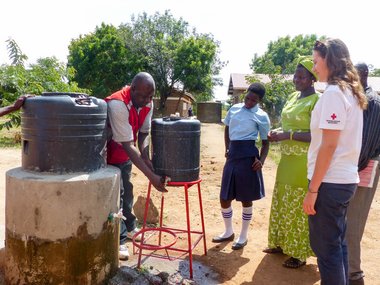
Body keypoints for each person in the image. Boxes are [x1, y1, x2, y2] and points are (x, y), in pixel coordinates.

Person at [303, 39, 367, 285]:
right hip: (344, 181)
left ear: (329, 60)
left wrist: (312, 190)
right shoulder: (351, 92)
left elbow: (328, 146)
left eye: (316, 61)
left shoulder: (333, 93)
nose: (314, 67)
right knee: (338, 245)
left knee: (327, 252)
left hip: (329, 183)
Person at [264, 57, 319, 268]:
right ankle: (279, 243)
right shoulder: (292, 97)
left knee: (297, 205)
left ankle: (298, 253)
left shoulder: (317, 101)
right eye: (295, 76)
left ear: (312, 79)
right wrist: (277, 133)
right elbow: (286, 125)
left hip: (303, 161)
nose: (296, 79)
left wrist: (288, 135)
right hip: (286, 160)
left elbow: (317, 135)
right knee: (282, 200)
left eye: (302, 76)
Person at [105, 72, 167, 260]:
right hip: (107, 155)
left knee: (128, 191)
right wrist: (151, 176)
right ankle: (120, 240)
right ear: (131, 89)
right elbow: (127, 144)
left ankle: (130, 228)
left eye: (150, 96)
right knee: (118, 195)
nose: (147, 100)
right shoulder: (117, 103)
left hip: (125, 155)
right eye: (142, 96)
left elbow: (143, 133)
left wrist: (146, 157)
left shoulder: (147, 103)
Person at [212, 82, 270, 250]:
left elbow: (265, 143)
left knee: (246, 198)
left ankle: (243, 235)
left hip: (248, 157)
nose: (249, 102)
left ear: (259, 101)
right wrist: (227, 148)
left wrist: (262, 161)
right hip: (233, 155)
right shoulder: (234, 109)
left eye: (253, 100)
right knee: (225, 197)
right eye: (247, 98)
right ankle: (228, 231)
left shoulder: (261, 116)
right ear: (245, 93)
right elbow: (227, 129)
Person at [346, 63, 380, 285]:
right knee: (346, 219)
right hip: (355, 165)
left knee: (354, 221)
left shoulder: (372, 101)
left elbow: (366, 145)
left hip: (365, 166)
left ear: (364, 75)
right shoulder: (358, 97)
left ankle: (354, 274)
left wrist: (351, 170)